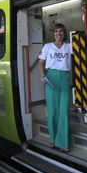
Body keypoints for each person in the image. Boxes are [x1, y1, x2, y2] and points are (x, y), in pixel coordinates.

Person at [38, 23, 71, 152]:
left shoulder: (69, 47)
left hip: (64, 77)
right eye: (56, 31)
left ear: (64, 33)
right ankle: (53, 139)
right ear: (53, 34)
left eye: (61, 31)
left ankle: (62, 142)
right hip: (51, 77)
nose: (58, 33)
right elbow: (41, 63)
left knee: (63, 110)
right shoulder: (47, 47)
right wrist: (42, 75)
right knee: (52, 111)